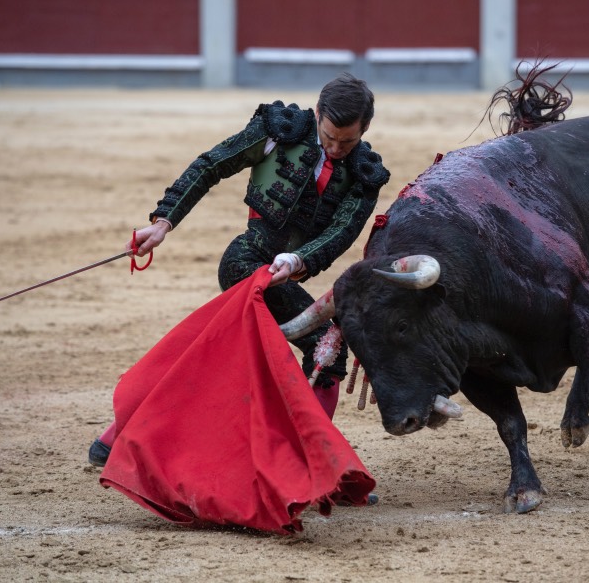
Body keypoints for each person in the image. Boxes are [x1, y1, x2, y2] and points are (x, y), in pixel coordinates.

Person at [89, 73, 390, 468]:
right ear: (317, 114)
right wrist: (164, 220)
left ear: (365, 128)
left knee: (241, 351)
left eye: (346, 142)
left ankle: (113, 439)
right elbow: (212, 164)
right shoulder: (280, 130)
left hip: (283, 270)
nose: (335, 149)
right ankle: (311, 462)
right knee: (321, 347)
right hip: (246, 260)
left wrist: (300, 260)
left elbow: (341, 233)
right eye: (329, 136)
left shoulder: (364, 174)